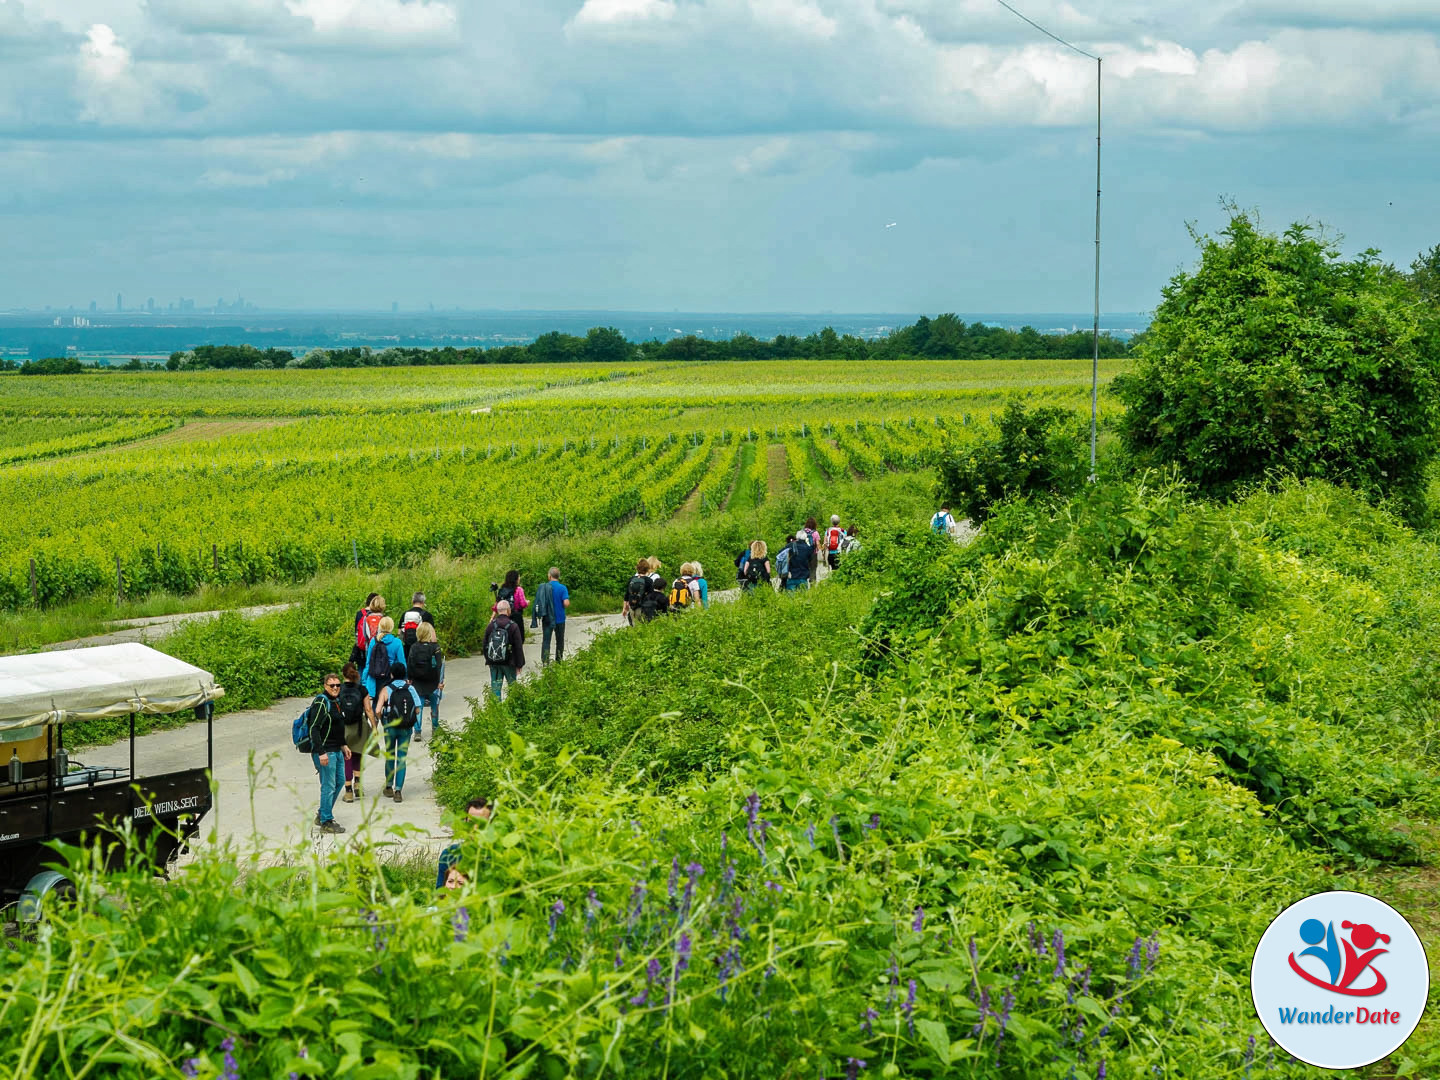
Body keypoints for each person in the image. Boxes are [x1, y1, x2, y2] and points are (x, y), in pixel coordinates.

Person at [306, 673, 351, 834]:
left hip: (336, 750)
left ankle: (322, 813)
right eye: (331, 685)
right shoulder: (321, 702)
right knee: (328, 786)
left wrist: (344, 744)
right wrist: (321, 752)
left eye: (338, 685)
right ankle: (326, 820)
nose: (335, 688)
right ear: (325, 686)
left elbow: (337, 727)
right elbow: (314, 728)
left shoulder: (336, 702)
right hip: (326, 752)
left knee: (339, 782)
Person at [374, 662, 421, 803]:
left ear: (392, 674)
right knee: (401, 758)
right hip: (406, 728)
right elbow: (418, 709)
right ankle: (398, 790)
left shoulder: (386, 689)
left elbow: (377, 710)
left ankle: (388, 786)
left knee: (390, 756)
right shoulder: (411, 688)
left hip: (390, 727)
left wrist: (383, 720)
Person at [436, 796, 493, 889]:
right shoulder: (449, 855)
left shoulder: (500, 857)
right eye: (471, 822)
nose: (475, 828)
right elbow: (440, 893)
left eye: (482, 823)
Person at [337, 662, 373, 804]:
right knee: (358, 754)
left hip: (344, 727)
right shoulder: (362, 689)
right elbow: (368, 710)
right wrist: (374, 727)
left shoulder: (338, 690)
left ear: (343, 674)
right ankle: (357, 784)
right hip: (359, 726)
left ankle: (348, 792)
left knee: (347, 757)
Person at [406, 622, 445, 741]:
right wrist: (440, 682)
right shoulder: (435, 647)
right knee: (434, 706)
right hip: (433, 682)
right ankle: (435, 728)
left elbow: (410, 665)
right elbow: (439, 666)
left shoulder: (414, 647)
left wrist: (410, 679)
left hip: (418, 683)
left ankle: (417, 731)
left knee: (419, 706)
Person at [483, 599, 525, 700]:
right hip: (509, 662)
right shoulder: (513, 626)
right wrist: (519, 664)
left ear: (497, 611)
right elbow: (518, 646)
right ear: (508, 610)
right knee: (512, 688)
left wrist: (488, 660)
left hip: (494, 662)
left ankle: (497, 712)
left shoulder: (491, 625)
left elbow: (485, 644)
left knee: (496, 689)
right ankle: (512, 709)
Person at [362, 615, 406, 701]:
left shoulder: (373, 641)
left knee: (376, 702)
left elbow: (368, 663)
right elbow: (402, 663)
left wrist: (364, 680)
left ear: (380, 626)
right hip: (391, 678)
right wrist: (405, 678)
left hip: (375, 678)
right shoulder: (397, 642)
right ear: (391, 627)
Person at [535, 566, 570, 663]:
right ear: (558, 576)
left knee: (546, 640)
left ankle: (545, 661)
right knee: (560, 640)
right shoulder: (562, 588)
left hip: (547, 618)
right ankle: (559, 660)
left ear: (549, 576)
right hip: (559, 618)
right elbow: (566, 603)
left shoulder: (544, 587)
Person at [494, 570, 528, 642]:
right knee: (519, 639)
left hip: (503, 617)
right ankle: (517, 652)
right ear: (516, 579)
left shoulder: (502, 590)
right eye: (518, 577)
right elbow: (523, 604)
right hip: (516, 616)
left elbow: (497, 605)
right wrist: (527, 602)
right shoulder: (519, 590)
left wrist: (492, 617)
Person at [349, 592, 379, 668]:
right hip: (375, 649)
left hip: (361, 648)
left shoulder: (359, 613)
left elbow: (357, 632)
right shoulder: (378, 615)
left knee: (361, 670)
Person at [803, 517, 822, 585]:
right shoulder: (815, 533)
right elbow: (817, 543)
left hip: (804, 553)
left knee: (804, 567)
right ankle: (812, 582)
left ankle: (803, 581)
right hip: (813, 553)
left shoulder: (802, 532)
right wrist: (821, 551)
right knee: (813, 568)